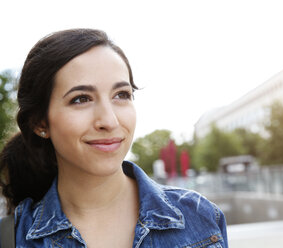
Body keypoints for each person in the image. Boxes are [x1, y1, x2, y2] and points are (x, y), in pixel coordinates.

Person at [0, 29, 228, 247]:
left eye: (121, 95)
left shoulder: (201, 218)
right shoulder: (12, 238)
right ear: (40, 122)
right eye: (81, 99)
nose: (109, 121)